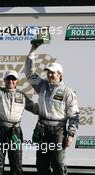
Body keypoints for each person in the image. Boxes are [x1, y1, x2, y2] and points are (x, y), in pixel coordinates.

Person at [0, 52, 38, 175]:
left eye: (13, 79)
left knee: (16, 165)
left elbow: (36, 109)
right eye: (8, 78)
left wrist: (50, 106)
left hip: (15, 131)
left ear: (17, 81)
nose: (11, 81)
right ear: (4, 80)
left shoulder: (22, 95)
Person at [24, 44, 79, 175]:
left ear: (60, 75)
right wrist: (32, 51)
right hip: (42, 128)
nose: (49, 75)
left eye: (52, 72)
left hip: (58, 131)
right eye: (48, 72)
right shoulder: (42, 85)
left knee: (58, 164)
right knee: (41, 164)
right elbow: (29, 73)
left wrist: (71, 134)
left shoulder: (68, 92)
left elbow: (74, 115)